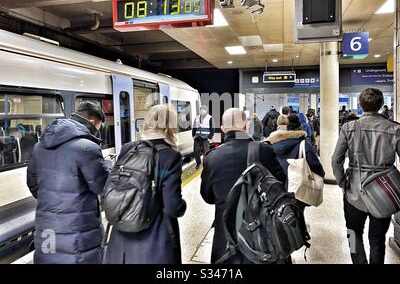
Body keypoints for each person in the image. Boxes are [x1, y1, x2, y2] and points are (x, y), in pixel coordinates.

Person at [26, 101, 111, 264]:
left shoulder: (39, 147)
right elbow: (102, 187)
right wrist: (107, 166)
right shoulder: (88, 148)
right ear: (93, 121)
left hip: (47, 228)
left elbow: (34, 186)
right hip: (79, 230)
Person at [200, 108, 286, 264]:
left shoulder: (211, 158)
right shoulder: (264, 151)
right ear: (246, 126)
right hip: (262, 238)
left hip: (225, 240)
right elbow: (281, 185)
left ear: (223, 128)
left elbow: (208, 197)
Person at [104, 105, 187, 264]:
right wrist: (182, 206)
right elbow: (172, 206)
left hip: (120, 237)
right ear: (172, 126)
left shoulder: (129, 148)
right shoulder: (170, 156)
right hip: (154, 239)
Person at [332, 88, 400, 264]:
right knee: (377, 239)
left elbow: (336, 160)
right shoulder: (394, 128)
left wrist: (342, 183)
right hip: (384, 192)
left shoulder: (349, 127)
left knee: (353, 233)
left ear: (360, 105)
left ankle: (358, 261)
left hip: (354, 191)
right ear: (381, 105)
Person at [267, 114, 325, 190]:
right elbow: (315, 165)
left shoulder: (273, 144)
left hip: (279, 187)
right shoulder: (304, 144)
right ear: (300, 127)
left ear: (287, 128)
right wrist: (321, 175)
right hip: (298, 188)